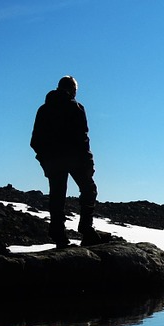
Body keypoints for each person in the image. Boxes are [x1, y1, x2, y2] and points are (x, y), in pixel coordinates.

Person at [31, 75, 100, 248]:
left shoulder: (44, 109)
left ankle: (58, 235)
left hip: (53, 160)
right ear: (72, 89)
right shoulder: (75, 107)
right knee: (89, 190)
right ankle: (86, 229)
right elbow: (83, 138)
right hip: (74, 159)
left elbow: (35, 140)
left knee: (57, 195)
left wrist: (44, 159)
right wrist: (88, 162)